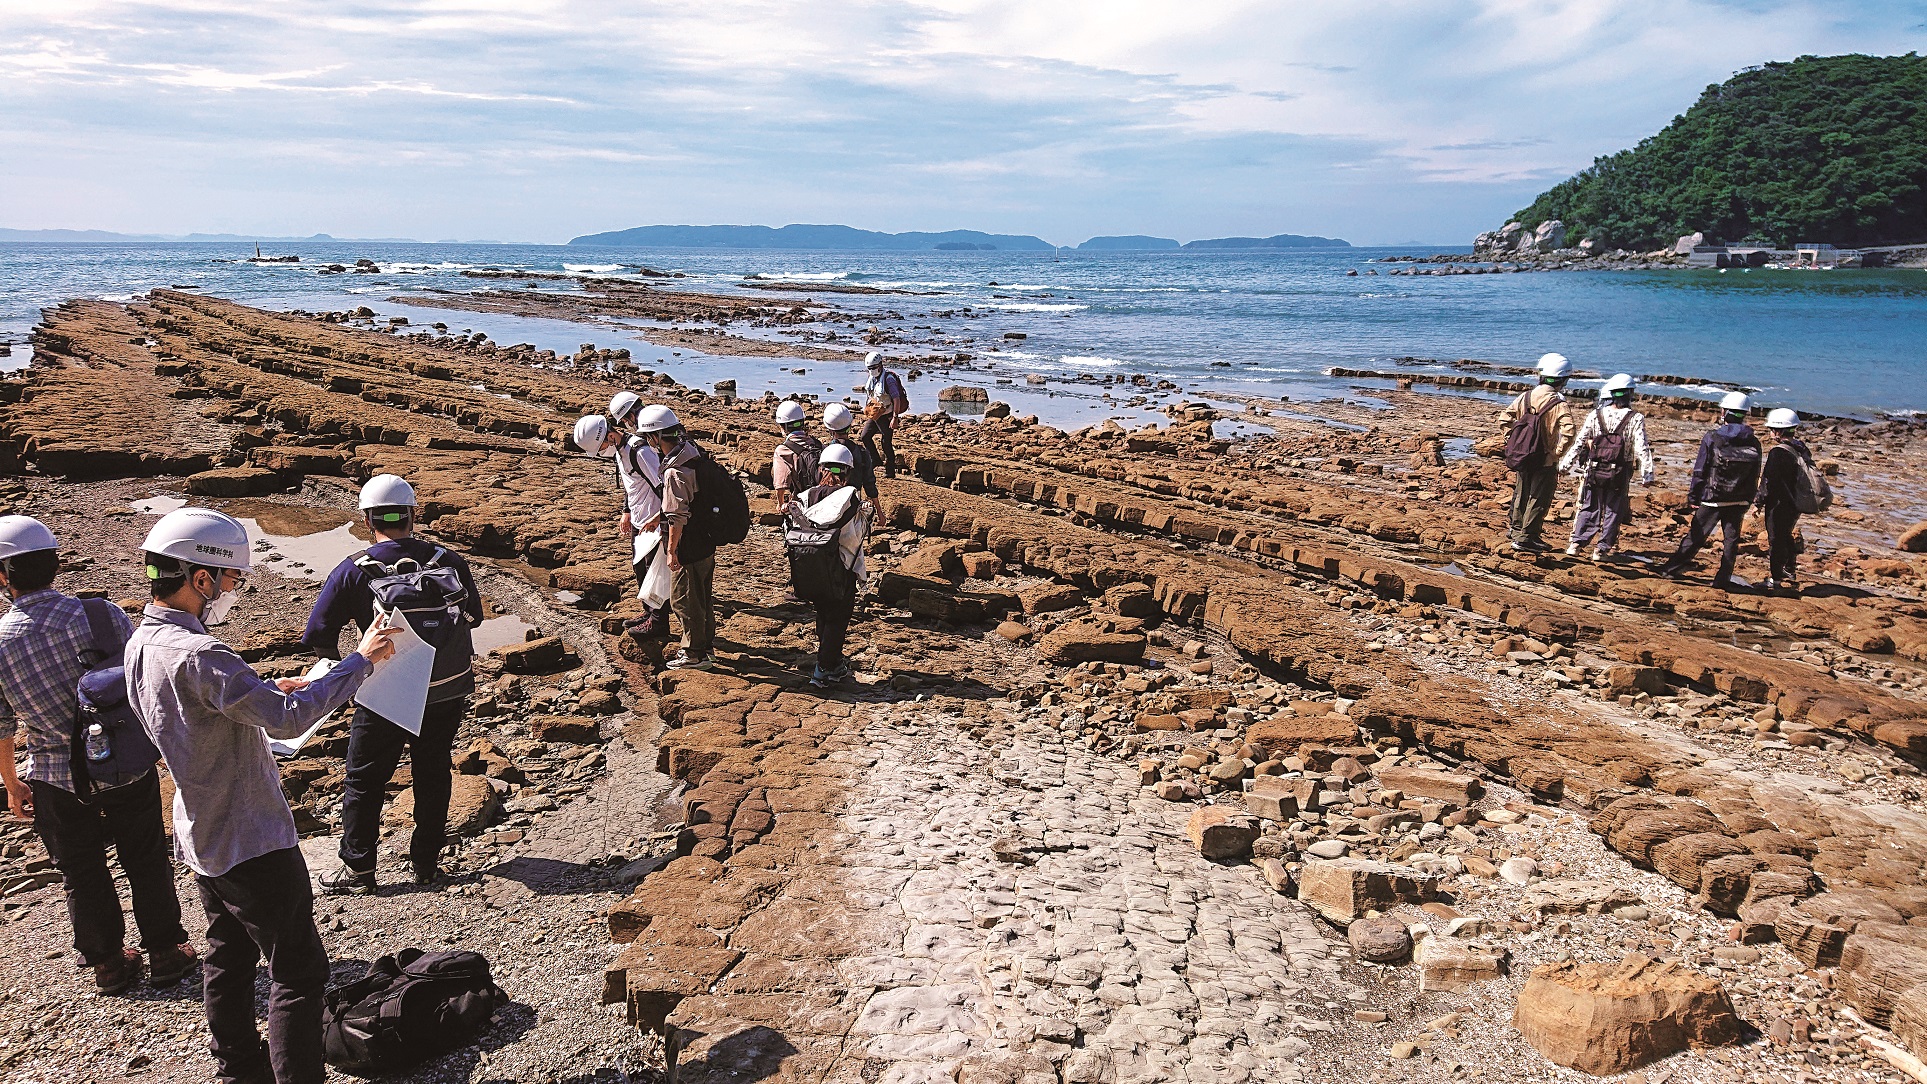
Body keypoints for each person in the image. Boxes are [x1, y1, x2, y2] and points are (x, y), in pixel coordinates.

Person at [126, 507, 397, 1084]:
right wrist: (361, 661)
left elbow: (209, 709)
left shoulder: (143, 642)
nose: (231, 591)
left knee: (227, 958)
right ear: (200, 578)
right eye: (229, 580)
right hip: (251, 836)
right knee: (298, 971)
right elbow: (286, 721)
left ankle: (238, 1070)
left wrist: (265, 688)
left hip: (202, 833)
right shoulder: (201, 654)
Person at [0, 515, 193, 995]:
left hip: (51, 773)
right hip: (123, 760)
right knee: (145, 856)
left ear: (3, 575)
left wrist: (10, 781)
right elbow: (142, 683)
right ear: (56, 564)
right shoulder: (103, 614)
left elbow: (2, 724)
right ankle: (166, 951)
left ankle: (108, 963)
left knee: (81, 870)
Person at [305, 474, 483, 894]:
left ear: (369, 520)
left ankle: (360, 869)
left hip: (385, 691)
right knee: (434, 771)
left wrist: (342, 672)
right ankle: (426, 863)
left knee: (365, 778)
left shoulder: (352, 571)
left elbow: (318, 636)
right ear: (412, 514)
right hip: (446, 688)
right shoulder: (448, 560)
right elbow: (473, 615)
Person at [577, 406, 669, 638]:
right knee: (639, 568)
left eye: (600, 448)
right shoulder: (620, 450)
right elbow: (632, 486)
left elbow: (663, 486)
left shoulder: (639, 451)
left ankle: (658, 623)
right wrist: (626, 512)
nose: (601, 453)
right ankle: (648, 613)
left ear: (610, 435)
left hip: (654, 521)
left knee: (654, 572)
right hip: (639, 520)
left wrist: (660, 517)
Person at [1654, 392, 1762, 589]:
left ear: (1724, 412)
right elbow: (1756, 472)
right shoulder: (1754, 441)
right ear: (1745, 413)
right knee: (1731, 540)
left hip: (1714, 496)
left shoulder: (1713, 437)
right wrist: (1750, 498)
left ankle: (1670, 569)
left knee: (1696, 535)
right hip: (1739, 499)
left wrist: (1694, 495)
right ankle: (1722, 579)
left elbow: (1700, 469)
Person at [637, 404, 716, 671]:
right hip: (706, 539)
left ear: (655, 437)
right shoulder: (694, 453)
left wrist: (671, 551)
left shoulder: (674, 471)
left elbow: (677, 516)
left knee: (683, 598)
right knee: (703, 596)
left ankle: (693, 653)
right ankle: (706, 647)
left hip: (689, 543)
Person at [786, 445, 872, 686]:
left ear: (820, 470)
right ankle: (825, 667)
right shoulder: (849, 497)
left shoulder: (806, 496)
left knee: (823, 612)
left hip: (810, 566)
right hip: (841, 568)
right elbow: (854, 538)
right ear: (847, 473)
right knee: (838, 617)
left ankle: (829, 660)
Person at [1558, 373, 1654, 561]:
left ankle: (1576, 544)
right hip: (1619, 471)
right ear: (1629, 394)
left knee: (1589, 506)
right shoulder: (1635, 418)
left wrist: (1565, 464)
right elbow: (1641, 447)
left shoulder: (1596, 415)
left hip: (1594, 469)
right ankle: (1601, 550)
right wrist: (1647, 474)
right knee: (1613, 510)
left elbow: (1580, 442)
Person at [1499, 352, 1577, 552]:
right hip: (1544, 459)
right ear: (1562, 380)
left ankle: (1515, 529)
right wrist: (1556, 453)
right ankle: (1526, 538)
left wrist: (1512, 442)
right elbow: (1569, 432)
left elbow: (1504, 419)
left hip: (1523, 455)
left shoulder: (1525, 396)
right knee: (1538, 498)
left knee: (1520, 493)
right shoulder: (1558, 403)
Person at [1756, 408, 1813, 592]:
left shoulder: (1778, 453)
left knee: (1775, 540)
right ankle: (1789, 569)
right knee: (1786, 534)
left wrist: (1758, 503)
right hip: (1796, 502)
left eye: (1772, 429)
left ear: (1779, 431)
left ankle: (1775, 579)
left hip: (1779, 503)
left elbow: (1768, 482)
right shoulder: (1802, 449)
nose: (1771, 433)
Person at [861, 351, 907, 480]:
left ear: (880, 365)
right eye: (870, 368)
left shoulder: (889, 380)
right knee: (865, 436)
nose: (872, 370)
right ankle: (876, 460)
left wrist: (895, 418)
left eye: (874, 368)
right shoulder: (873, 378)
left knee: (886, 443)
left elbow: (896, 399)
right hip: (876, 415)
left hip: (887, 416)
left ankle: (890, 471)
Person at [822, 402, 880, 500]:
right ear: (849, 427)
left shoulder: (825, 453)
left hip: (828, 501)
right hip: (853, 502)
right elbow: (869, 484)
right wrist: (879, 511)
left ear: (830, 429)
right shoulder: (862, 452)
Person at [770, 399, 821, 508]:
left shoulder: (783, 450)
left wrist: (781, 503)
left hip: (803, 501)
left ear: (783, 427)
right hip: (823, 496)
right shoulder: (817, 444)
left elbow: (781, 483)